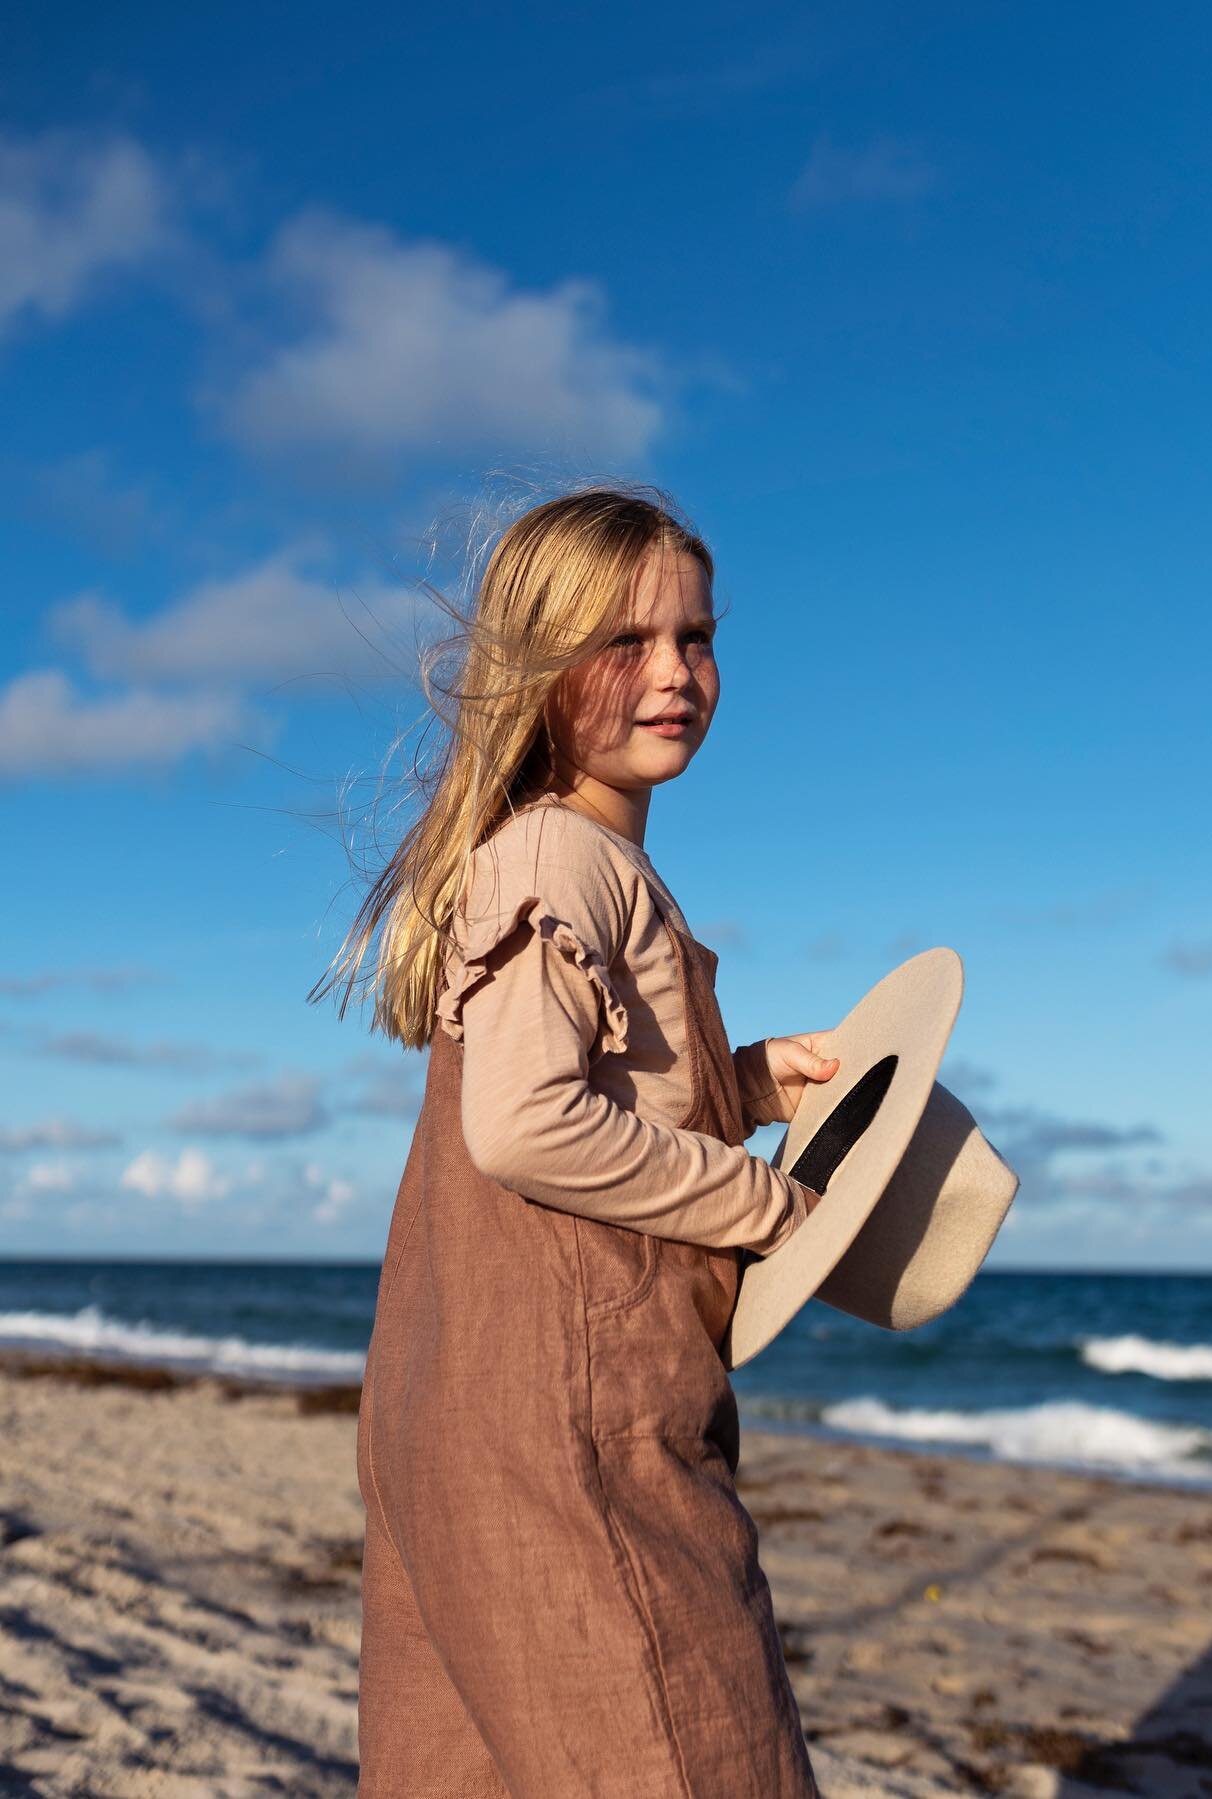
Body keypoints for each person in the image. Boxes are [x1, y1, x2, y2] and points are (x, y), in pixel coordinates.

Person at [311, 483, 841, 1796]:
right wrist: (772, 1205)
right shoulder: (563, 854)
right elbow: (528, 1126)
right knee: (692, 1755)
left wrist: (748, 1078)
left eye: (696, 638)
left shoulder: (540, 853)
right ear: (542, 671)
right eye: (625, 643)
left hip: (454, 1421)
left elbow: (598, 1088)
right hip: (574, 1434)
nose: (675, 673)